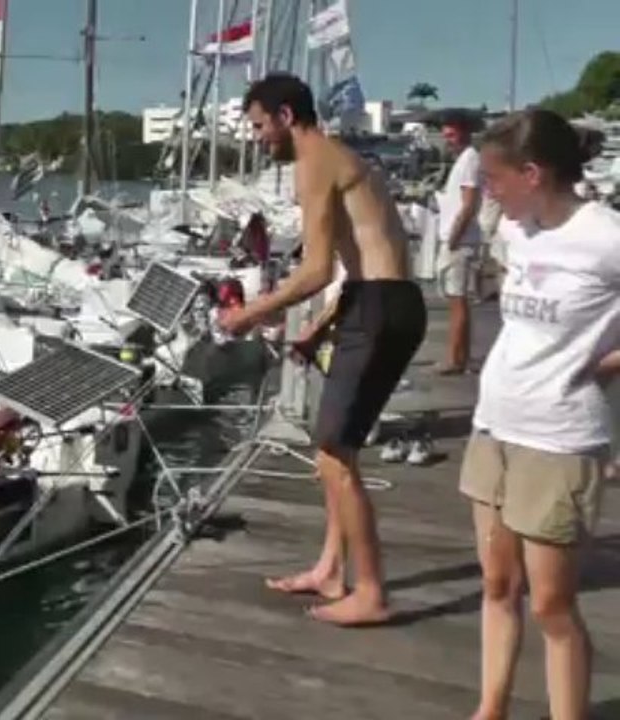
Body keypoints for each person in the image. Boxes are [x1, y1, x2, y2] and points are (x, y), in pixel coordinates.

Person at [219, 73, 427, 626]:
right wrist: (323, 325)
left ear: (287, 117)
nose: (259, 138)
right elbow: (366, 261)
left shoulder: (315, 161)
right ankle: (333, 569)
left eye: (261, 126)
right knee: (337, 452)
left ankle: (373, 591)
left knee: (333, 456)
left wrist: (248, 314)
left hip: (379, 309)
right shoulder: (339, 157)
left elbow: (314, 271)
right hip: (379, 302)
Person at [459, 108, 619, 720]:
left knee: (552, 604)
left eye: (496, 180)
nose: (489, 194)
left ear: (533, 172)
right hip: (493, 427)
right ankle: (490, 708)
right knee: (498, 585)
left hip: (559, 439)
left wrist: (605, 365)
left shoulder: (606, 235)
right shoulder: (513, 232)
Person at [436, 111, 484, 373]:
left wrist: (454, 237)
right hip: (458, 238)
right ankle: (459, 356)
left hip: (460, 241)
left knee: (458, 301)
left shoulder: (469, 160)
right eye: (446, 135)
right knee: (457, 299)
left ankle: (455, 360)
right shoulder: (463, 160)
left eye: (452, 135)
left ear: (465, 133)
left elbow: (469, 204)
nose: (448, 140)